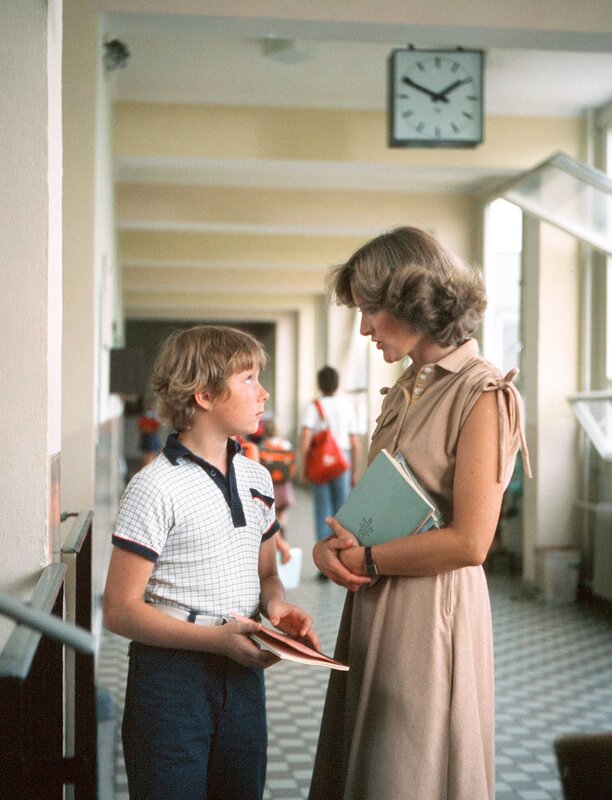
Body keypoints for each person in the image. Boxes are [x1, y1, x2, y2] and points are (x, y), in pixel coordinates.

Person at [308, 227, 531, 800]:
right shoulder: (408, 388)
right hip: (374, 597)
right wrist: (331, 547)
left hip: (430, 613)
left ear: (411, 302)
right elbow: (381, 502)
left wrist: (369, 558)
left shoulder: (482, 394)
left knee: (408, 771)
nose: (363, 328)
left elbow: (470, 544)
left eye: (369, 310)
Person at [103, 324, 319, 800]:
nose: (263, 393)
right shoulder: (154, 486)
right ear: (203, 394)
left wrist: (277, 605)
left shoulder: (257, 477)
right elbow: (119, 609)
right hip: (171, 679)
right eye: (248, 380)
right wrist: (214, 641)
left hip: (241, 673)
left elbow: (266, 573)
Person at [299, 366, 361, 546]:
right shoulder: (347, 406)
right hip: (342, 461)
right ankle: (344, 554)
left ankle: (324, 559)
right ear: (337, 383)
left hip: (319, 461)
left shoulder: (313, 406)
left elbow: (305, 437)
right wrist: (354, 472)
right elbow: (355, 443)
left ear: (319, 384)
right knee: (343, 511)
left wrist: (304, 466)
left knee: (322, 510)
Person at [259, 418, 296, 564]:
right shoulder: (286, 444)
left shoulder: (263, 445)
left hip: (271, 484)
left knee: (271, 513)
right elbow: (292, 465)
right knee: (282, 513)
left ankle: (276, 536)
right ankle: (283, 535)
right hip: (284, 484)